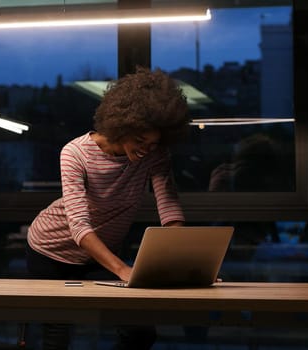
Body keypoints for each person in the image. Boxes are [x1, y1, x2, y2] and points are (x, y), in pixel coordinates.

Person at [26, 66, 190, 350]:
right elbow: (79, 225)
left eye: (153, 143)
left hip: (101, 254)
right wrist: (123, 270)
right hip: (50, 250)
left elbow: (169, 207)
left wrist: (183, 264)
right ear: (121, 126)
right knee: (57, 334)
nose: (145, 150)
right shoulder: (74, 153)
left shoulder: (155, 156)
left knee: (140, 332)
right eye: (139, 140)